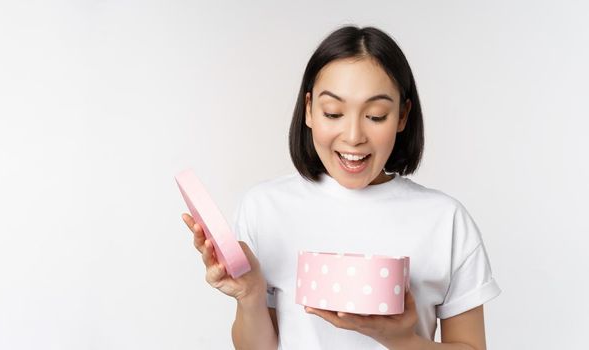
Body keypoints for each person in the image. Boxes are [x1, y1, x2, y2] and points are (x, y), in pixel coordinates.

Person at [182, 25, 501, 349]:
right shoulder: (265, 207)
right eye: (333, 112)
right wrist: (250, 294)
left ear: (403, 116)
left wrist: (401, 339)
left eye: (376, 116)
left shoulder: (446, 221)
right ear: (308, 109)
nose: (353, 136)